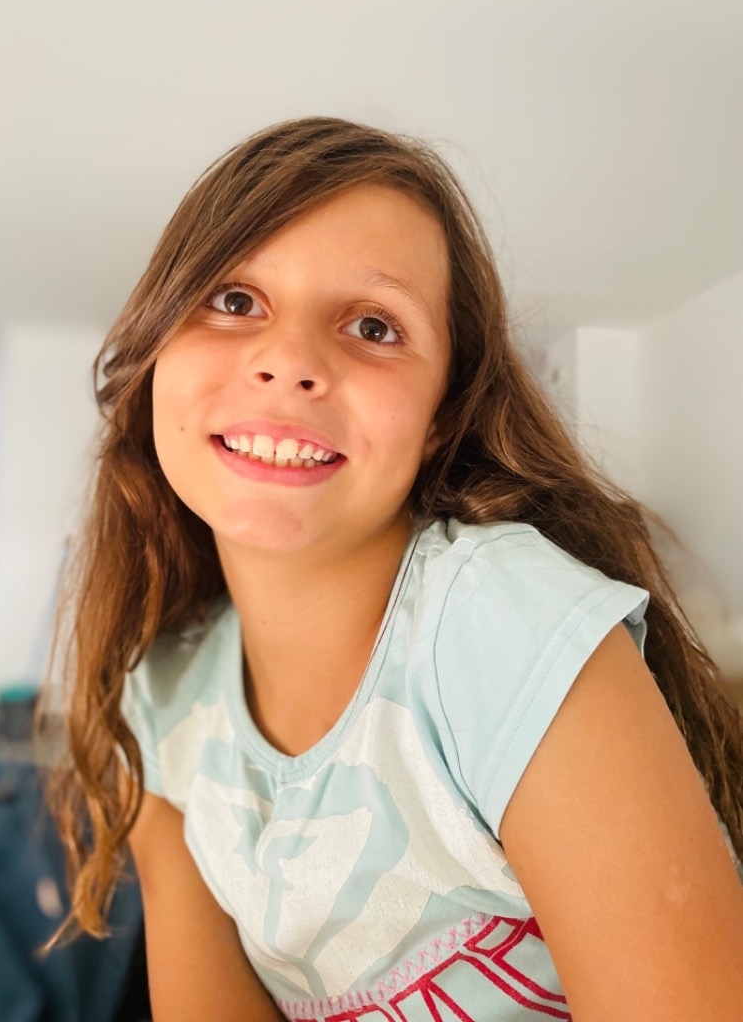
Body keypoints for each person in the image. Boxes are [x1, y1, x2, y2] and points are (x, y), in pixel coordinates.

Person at [47, 117, 743, 1021]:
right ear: (155, 348)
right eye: (234, 299)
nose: (289, 362)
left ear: (442, 413)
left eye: (374, 326)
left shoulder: (503, 623)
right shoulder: (164, 698)